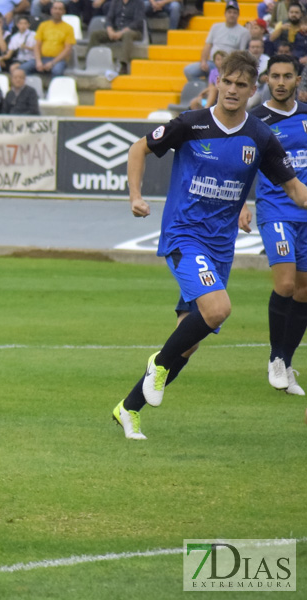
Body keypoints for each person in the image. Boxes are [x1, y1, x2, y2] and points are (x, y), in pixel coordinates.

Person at [114, 50, 307, 440]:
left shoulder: (260, 136)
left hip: (221, 247)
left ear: (254, 90)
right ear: (217, 81)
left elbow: (296, 190)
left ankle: (128, 408)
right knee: (218, 309)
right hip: (184, 236)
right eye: (228, 82)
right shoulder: (191, 124)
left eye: (242, 85)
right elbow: (139, 149)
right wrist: (135, 195)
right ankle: (158, 366)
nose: (233, 90)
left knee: (188, 342)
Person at [240, 55, 307, 396]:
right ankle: (275, 358)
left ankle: (287, 360)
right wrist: (240, 206)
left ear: (298, 79)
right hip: (276, 210)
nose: (281, 82)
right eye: (275, 76)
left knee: (304, 290)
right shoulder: (256, 120)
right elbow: (242, 166)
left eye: (287, 76)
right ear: (266, 79)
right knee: (284, 284)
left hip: (306, 212)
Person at [184, 0, 249, 81]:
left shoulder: (244, 32)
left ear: (238, 15)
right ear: (225, 13)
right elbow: (208, 45)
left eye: (234, 12)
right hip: (212, 63)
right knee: (189, 71)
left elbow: (241, 53)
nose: (232, 15)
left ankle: (211, 87)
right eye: (229, 12)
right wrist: (203, 61)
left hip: (228, 66)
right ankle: (204, 87)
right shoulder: (215, 27)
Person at [89, 0, 144, 74]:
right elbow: (109, 18)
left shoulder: (139, 3)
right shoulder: (115, 2)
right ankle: (89, 60)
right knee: (95, 35)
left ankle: (123, 64)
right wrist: (109, 29)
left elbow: (138, 22)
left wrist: (122, 32)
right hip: (116, 30)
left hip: (133, 31)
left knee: (127, 35)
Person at [23, 1, 74, 76]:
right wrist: (38, 61)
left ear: (64, 12)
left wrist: (53, 63)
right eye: (55, 8)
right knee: (23, 68)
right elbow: (37, 46)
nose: (57, 11)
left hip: (59, 60)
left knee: (57, 71)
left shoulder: (69, 28)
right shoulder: (43, 25)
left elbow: (67, 49)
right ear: (51, 10)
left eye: (60, 9)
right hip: (43, 58)